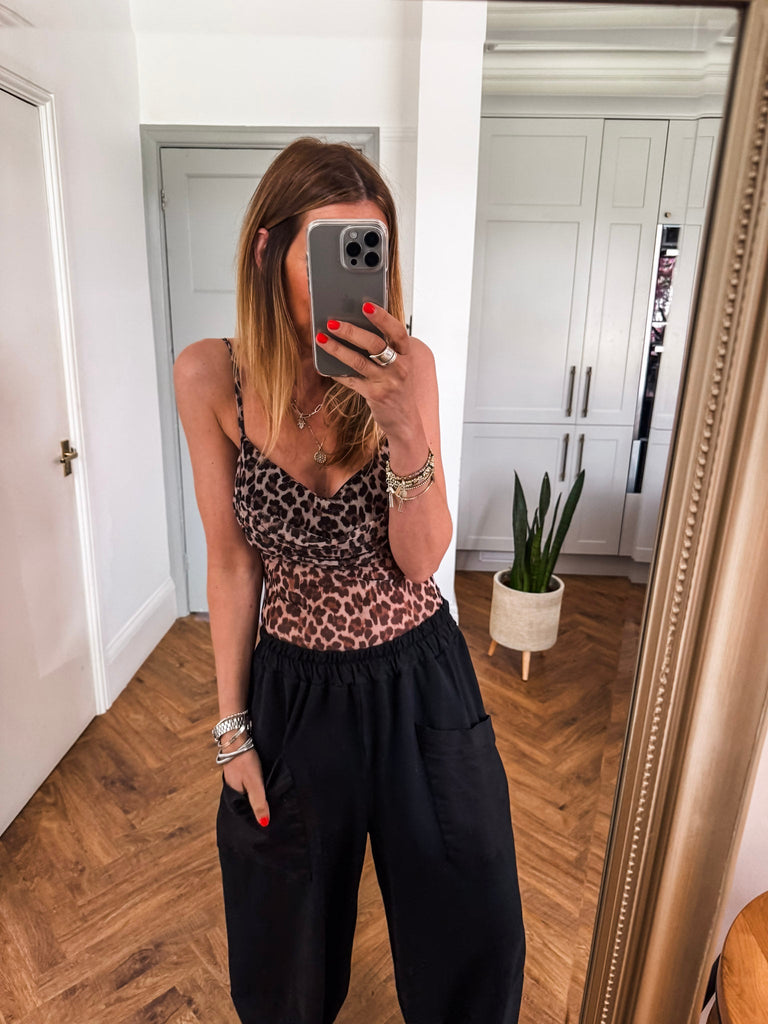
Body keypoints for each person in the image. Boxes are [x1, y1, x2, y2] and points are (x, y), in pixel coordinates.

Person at [174, 137, 525, 1024]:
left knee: (471, 922)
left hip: (421, 683)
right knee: (282, 943)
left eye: (369, 252)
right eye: (326, 252)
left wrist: (405, 429)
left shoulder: (411, 370)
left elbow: (420, 561)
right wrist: (231, 731)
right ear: (268, 249)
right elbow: (231, 560)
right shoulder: (210, 376)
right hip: (293, 693)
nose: (354, 279)